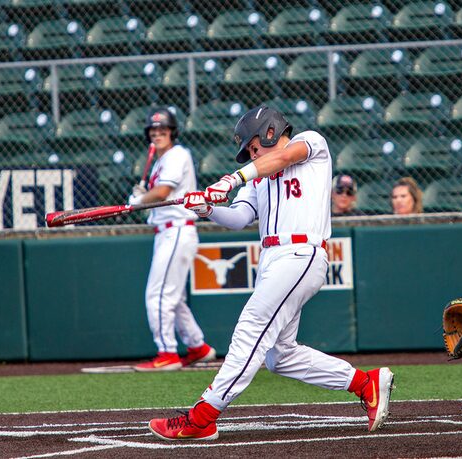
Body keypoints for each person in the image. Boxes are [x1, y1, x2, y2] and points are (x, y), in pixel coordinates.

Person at [148, 105, 394, 441]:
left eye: (252, 147)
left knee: (251, 327)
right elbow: (240, 216)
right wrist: (207, 209)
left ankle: (203, 416)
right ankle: (366, 383)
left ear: (269, 131)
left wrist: (232, 178)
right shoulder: (257, 177)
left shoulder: (311, 142)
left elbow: (282, 158)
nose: (251, 154)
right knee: (280, 355)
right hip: (272, 258)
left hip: (301, 252)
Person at [127, 106, 215, 372]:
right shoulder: (162, 159)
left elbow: (163, 191)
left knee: (159, 295)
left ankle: (167, 353)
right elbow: (159, 190)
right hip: (167, 231)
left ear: (172, 131)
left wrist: (139, 200)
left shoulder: (177, 154)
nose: (158, 134)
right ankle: (198, 347)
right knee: (172, 297)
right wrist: (145, 194)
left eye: (163, 129)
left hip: (177, 228)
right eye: (154, 130)